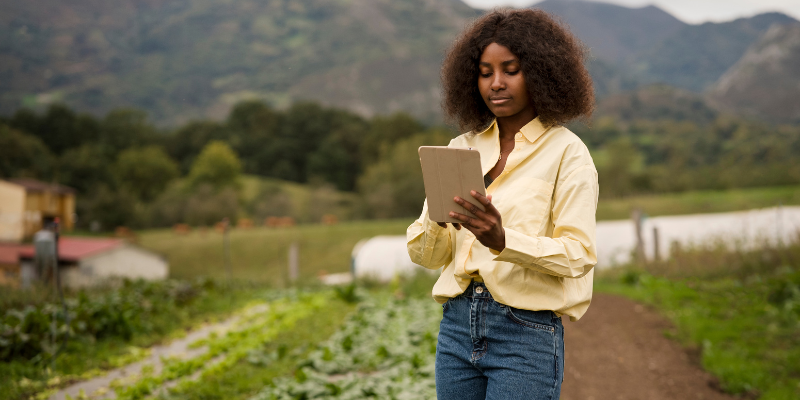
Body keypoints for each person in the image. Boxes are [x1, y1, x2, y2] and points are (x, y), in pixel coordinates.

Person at [406, 8, 598, 400]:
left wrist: (501, 240)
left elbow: (578, 256)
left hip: (526, 333)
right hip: (458, 327)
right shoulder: (461, 149)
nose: (496, 83)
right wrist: (440, 223)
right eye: (484, 71)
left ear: (541, 73)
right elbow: (426, 256)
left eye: (510, 70)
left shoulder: (567, 153)